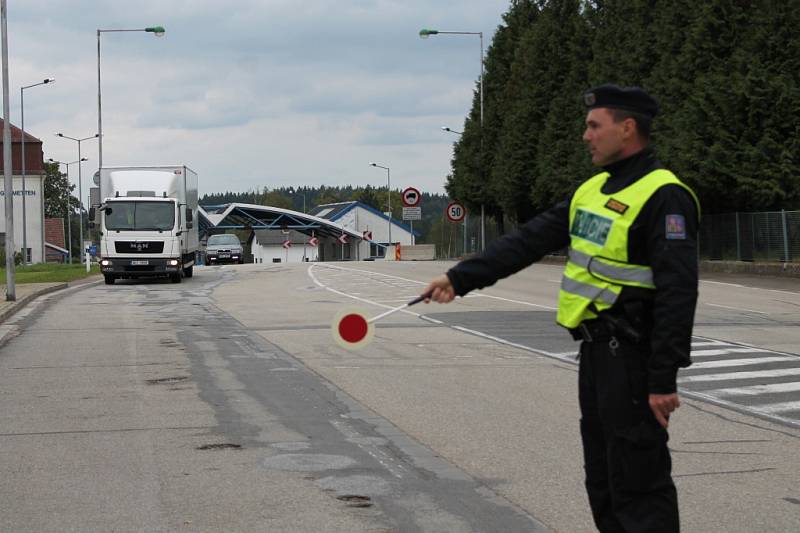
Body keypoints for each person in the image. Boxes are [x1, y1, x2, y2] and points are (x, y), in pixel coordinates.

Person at [423, 84, 699, 533]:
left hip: (632, 358)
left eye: (594, 126)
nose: (585, 135)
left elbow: (678, 293)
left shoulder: (664, 196)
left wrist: (663, 377)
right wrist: (460, 278)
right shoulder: (592, 190)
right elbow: (529, 240)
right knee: (605, 483)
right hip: (596, 355)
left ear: (627, 128)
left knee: (639, 488)